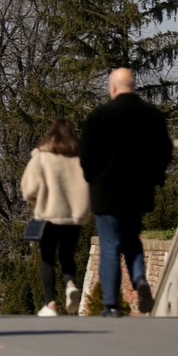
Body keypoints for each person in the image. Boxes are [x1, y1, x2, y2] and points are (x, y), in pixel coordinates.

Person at [79, 68, 172, 317]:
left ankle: (110, 304)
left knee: (110, 244)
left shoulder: (100, 116)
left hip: (106, 191)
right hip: (138, 191)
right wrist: (154, 179)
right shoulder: (152, 116)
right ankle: (140, 278)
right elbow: (164, 153)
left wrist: (92, 179)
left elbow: (86, 156)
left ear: (113, 88)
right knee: (131, 239)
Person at [21, 118, 90, 316]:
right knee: (67, 254)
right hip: (74, 215)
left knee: (47, 258)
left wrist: (37, 199)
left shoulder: (42, 157)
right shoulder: (80, 157)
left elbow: (29, 188)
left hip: (49, 213)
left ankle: (50, 303)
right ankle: (70, 284)